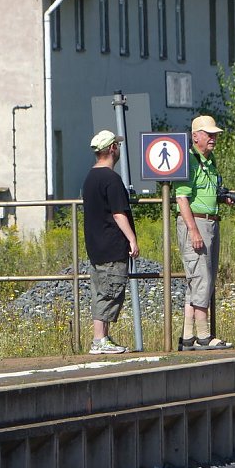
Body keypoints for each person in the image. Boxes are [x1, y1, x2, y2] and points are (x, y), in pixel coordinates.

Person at [173, 115, 235, 351]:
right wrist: (194, 231)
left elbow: (206, 191)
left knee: (198, 280)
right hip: (196, 223)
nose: (213, 138)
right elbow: (182, 198)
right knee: (201, 279)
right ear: (195, 136)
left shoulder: (209, 161)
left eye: (215, 135)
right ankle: (204, 337)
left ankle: (188, 336)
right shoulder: (189, 161)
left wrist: (222, 198)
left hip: (210, 222)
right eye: (209, 134)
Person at [82, 129, 140, 354]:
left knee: (100, 290)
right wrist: (132, 239)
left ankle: (102, 337)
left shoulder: (90, 177)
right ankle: (99, 340)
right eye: (117, 145)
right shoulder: (111, 179)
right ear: (112, 148)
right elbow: (118, 213)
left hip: (95, 245)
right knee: (110, 291)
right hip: (111, 245)